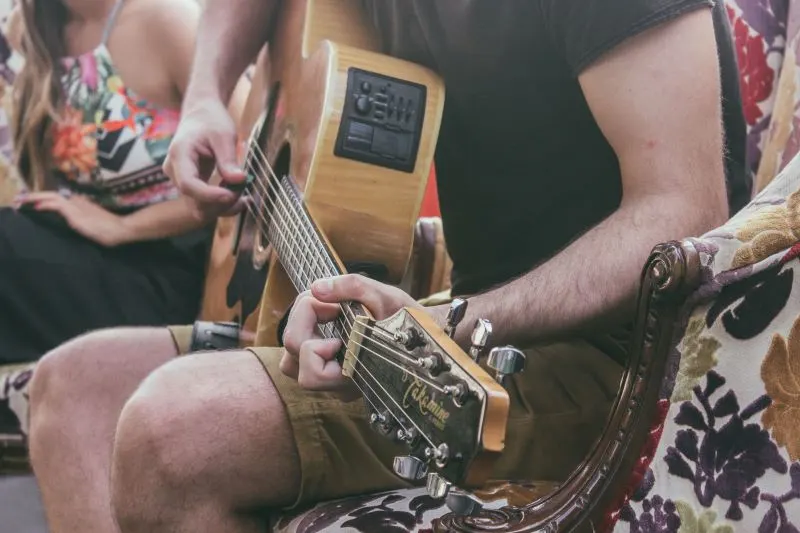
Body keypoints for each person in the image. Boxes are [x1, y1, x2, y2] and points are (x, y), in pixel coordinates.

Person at [26, 0, 748, 532]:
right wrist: (207, 99)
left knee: (176, 429)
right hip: (459, 321)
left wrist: (451, 322)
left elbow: (684, 210)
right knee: (72, 389)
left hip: (616, 361)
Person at [0, 0, 248, 435]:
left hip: (173, 266)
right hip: (84, 248)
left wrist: (125, 228)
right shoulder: (33, 27)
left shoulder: (164, 20)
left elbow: (253, 161)